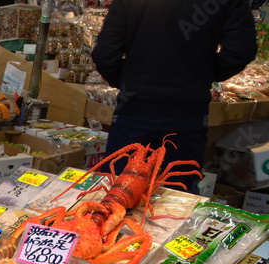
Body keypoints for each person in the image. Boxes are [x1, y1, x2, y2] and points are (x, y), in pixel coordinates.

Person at [91, 0, 257, 190]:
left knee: (116, 189)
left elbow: (105, 53)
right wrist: (202, 75)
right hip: (187, 113)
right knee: (176, 197)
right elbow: (242, 50)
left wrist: (128, 80)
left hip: (136, 107)